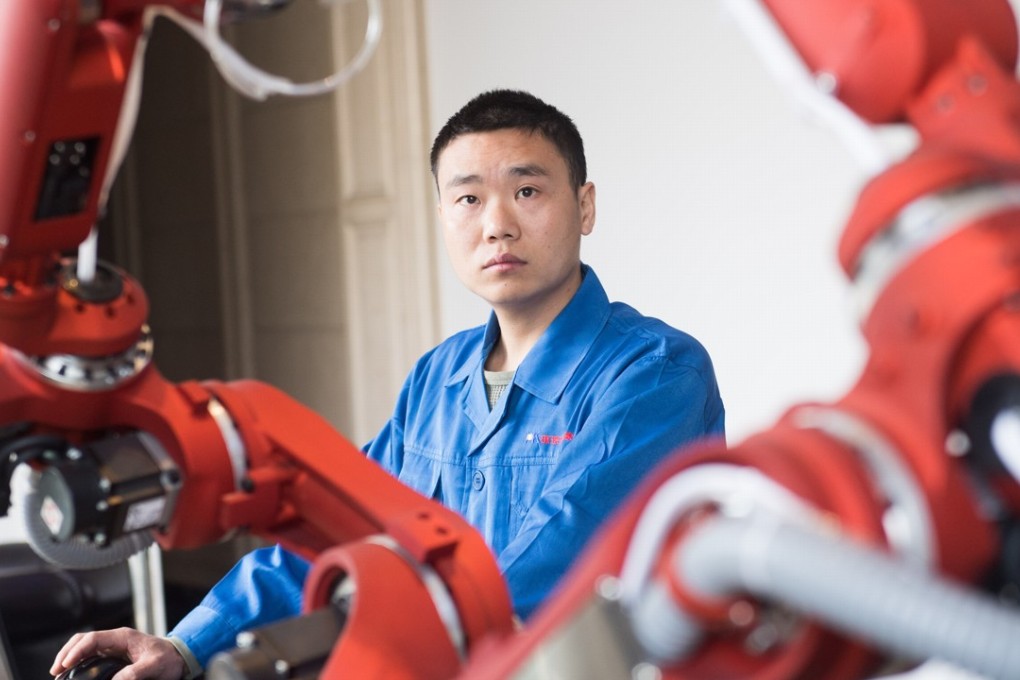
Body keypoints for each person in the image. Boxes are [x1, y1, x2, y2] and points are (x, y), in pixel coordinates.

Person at [50, 89, 725, 679]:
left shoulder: (654, 373)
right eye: (468, 198)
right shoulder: (438, 379)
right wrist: (185, 645)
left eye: (527, 191)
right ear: (443, 218)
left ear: (584, 206)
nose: (497, 224)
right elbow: (338, 524)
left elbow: (554, 560)